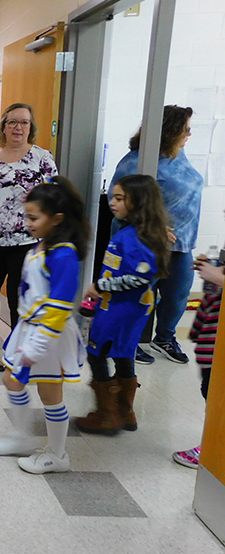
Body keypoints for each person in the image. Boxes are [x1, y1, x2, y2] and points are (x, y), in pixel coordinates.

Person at [0, 177, 89, 474]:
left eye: (33, 217)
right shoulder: (44, 245)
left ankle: (57, 454)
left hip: (48, 335)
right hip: (31, 329)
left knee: (50, 395)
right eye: (26, 216)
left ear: (56, 220)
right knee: (13, 381)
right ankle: (21, 437)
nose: (27, 223)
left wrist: (36, 346)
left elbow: (59, 307)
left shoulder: (64, 254)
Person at [74, 175, 171, 434]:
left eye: (119, 198)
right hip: (120, 308)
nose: (112, 202)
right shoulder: (130, 232)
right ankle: (124, 412)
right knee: (124, 353)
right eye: (112, 197)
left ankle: (107, 414)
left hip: (121, 310)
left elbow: (139, 279)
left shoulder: (138, 237)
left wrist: (100, 287)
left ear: (138, 202)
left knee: (97, 353)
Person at [111, 105, 203, 365]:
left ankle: (164, 338)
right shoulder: (137, 161)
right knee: (137, 297)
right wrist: (153, 224)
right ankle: (124, 342)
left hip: (181, 244)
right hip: (145, 243)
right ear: (170, 131)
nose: (190, 134)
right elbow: (117, 201)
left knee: (177, 297)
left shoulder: (178, 155)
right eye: (186, 129)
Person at [0, 103, 58, 353]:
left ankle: (17, 347)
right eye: (12, 122)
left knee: (18, 296)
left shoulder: (42, 157)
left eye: (24, 122)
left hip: (25, 239)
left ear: (31, 127)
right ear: (3, 127)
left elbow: (54, 196)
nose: (18, 127)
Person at [173, 245, 223, 468]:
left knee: (217, 398)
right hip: (211, 338)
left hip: (218, 342)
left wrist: (218, 277)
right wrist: (213, 267)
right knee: (211, 393)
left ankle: (213, 448)